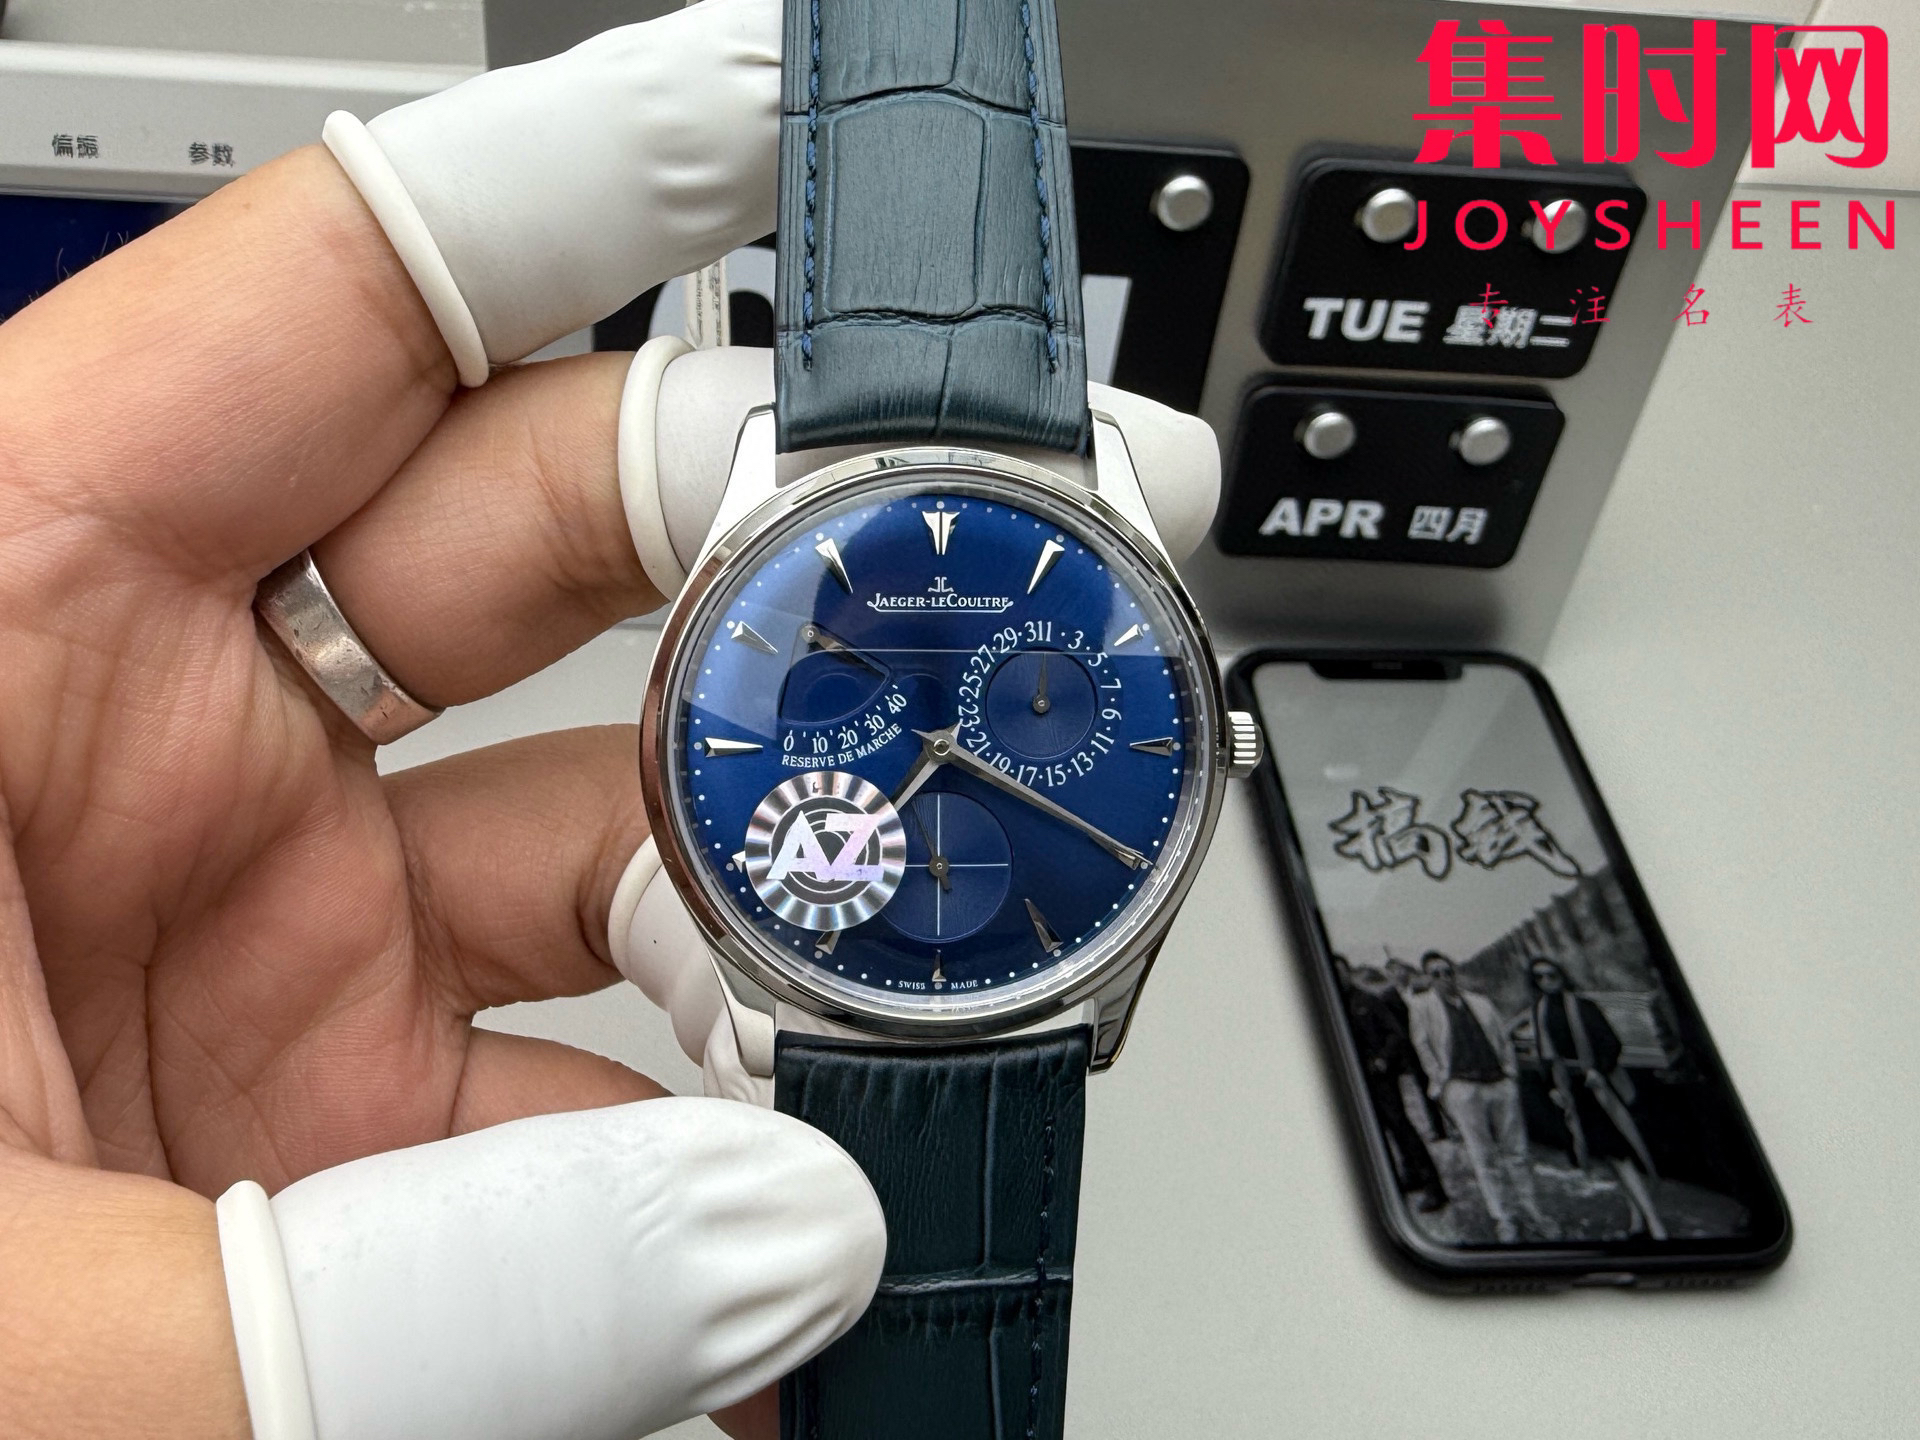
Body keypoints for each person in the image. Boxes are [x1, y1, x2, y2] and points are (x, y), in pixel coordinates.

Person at [1407, 952, 1557, 1243]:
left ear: (1455, 972)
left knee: (1517, 1152)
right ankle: (1503, 1217)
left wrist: (1510, 1073)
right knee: (1483, 1155)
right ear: (1428, 978)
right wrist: (1442, 1084)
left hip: (1498, 1083)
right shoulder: (1422, 1006)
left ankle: (1533, 1211)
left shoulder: (1480, 1002)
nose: (1444, 978)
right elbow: (1422, 1046)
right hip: (1462, 1086)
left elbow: (1502, 1038)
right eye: (1436, 974)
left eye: (1447, 971)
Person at [1527, 957, 1668, 1240]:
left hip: (1600, 1089)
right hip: (1573, 1092)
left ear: (1562, 975)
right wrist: (1552, 1087)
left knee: (1620, 1154)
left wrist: (1597, 1071)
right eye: (1539, 977)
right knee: (1608, 1156)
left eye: (1551, 975)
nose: (1546, 981)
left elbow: (1611, 1043)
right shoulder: (1540, 1013)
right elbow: (1545, 1057)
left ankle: (1655, 1223)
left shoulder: (1583, 1006)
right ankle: (1637, 1218)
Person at [1333, 958, 1447, 1212]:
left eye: (1340, 972)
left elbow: (1396, 1033)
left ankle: (1434, 1188)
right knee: (1384, 1131)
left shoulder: (1368, 1000)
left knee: (1401, 1127)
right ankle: (1411, 1176)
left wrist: (1383, 1059)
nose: (1337, 977)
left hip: (1381, 1077)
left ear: (1349, 973)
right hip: (1359, 1080)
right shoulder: (1335, 1006)